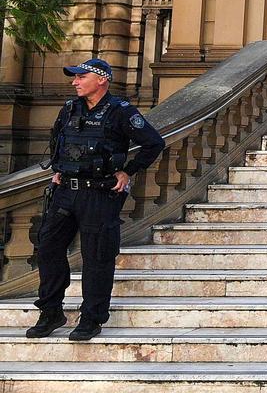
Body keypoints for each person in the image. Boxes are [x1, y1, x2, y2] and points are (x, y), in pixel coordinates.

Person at [27, 58, 165, 341]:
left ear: (101, 79)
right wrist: (57, 169)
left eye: (81, 77)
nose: (74, 82)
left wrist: (128, 171)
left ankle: (91, 318)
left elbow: (154, 143)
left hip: (100, 194)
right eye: (74, 78)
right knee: (48, 249)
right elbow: (57, 140)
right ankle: (51, 311)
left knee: (97, 258)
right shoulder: (69, 108)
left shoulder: (120, 112)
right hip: (65, 191)